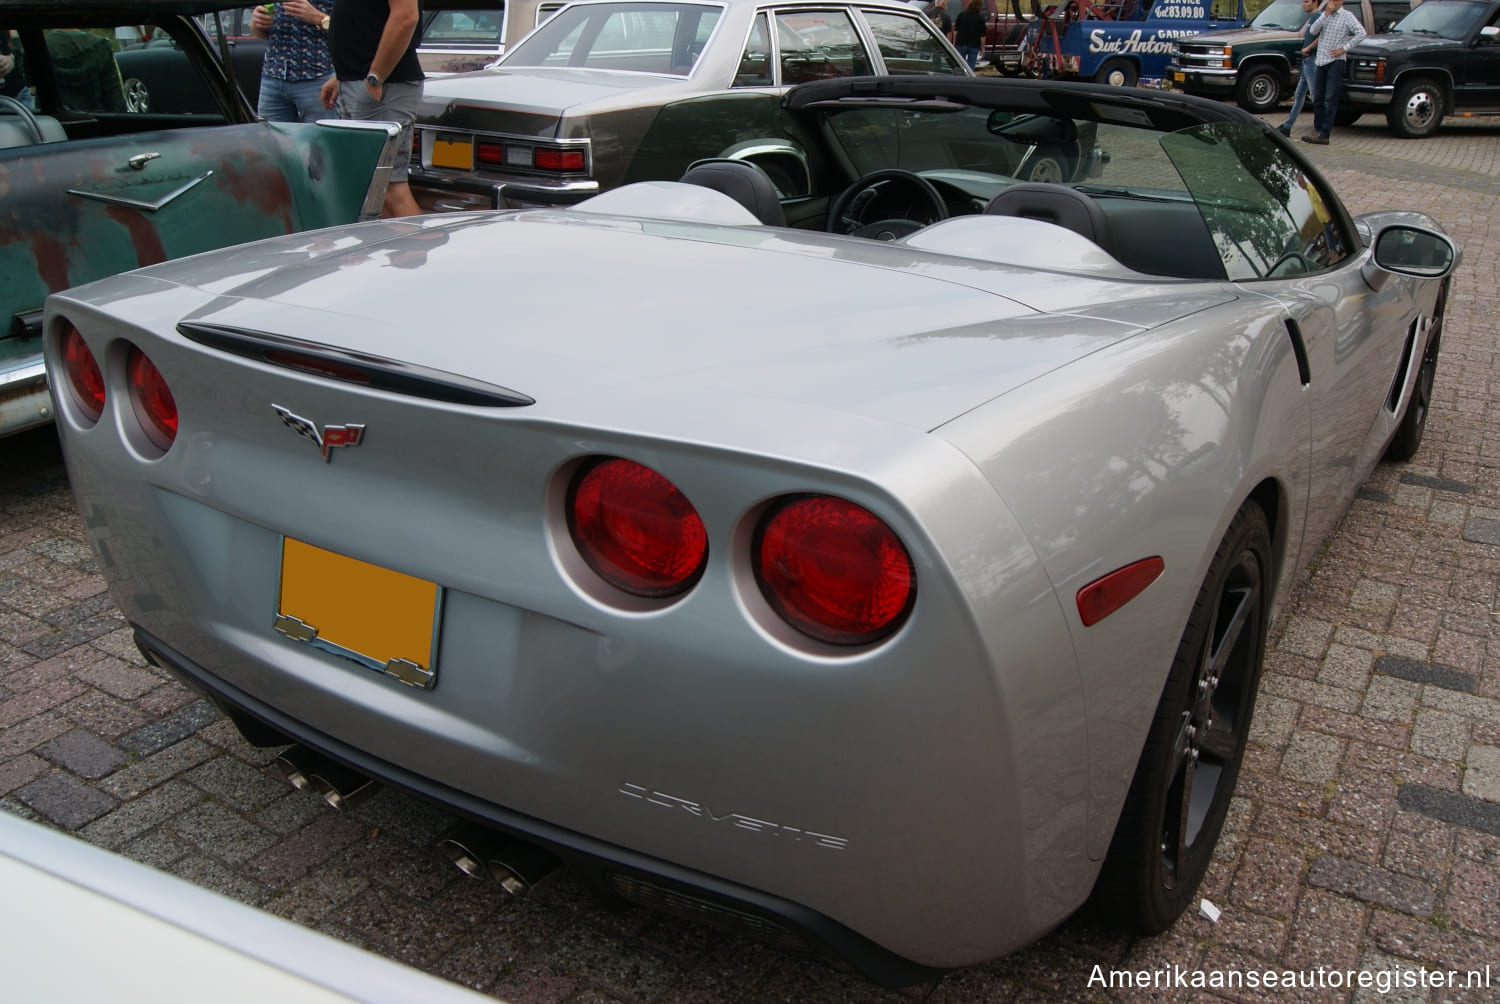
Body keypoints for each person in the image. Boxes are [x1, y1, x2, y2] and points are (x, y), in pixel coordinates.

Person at [320, 0, 423, 217]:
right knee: (371, 189)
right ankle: (392, 250)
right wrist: (342, 75)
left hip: (384, 87)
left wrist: (375, 78)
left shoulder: (377, 82)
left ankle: (417, 250)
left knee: (390, 189)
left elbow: (406, 17)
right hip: (360, 83)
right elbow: (366, 20)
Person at [251, 0, 335, 123]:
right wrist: (257, 23)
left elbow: (352, 31)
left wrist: (319, 18)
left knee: (320, 140)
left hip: (318, 79)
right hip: (273, 78)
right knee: (272, 139)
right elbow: (262, 34)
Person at [1302, 0, 1364, 145]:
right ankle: (1317, 129)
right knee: (1317, 97)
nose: (1333, 3)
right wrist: (1326, 14)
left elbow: (1361, 33)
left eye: (1336, 0)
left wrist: (1344, 48)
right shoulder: (1324, 15)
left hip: (1336, 61)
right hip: (1321, 59)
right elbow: (1313, 31)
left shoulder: (1347, 16)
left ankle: (1325, 134)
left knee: (1330, 98)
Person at [1278, 0, 1321, 137]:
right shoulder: (1311, 18)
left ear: (1315, 3)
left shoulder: (1318, 17)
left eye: (1307, 1)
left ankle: (1321, 127)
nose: (1304, 4)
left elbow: (1322, 36)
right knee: (1299, 94)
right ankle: (1287, 126)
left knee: (1315, 94)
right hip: (1306, 60)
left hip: (1312, 59)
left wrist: (1309, 47)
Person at [954, 0, 987, 70]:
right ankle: (969, 79)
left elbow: (956, 30)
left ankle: (960, 78)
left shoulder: (962, 15)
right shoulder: (980, 18)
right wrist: (982, 47)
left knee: (959, 64)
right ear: (979, 6)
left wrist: (954, 42)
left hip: (961, 43)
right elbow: (982, 35)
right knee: (971, 65)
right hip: (974, 46)